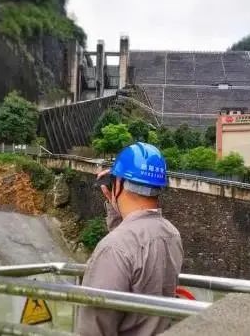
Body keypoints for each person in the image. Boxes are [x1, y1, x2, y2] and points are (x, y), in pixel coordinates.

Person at [77, 142, 183, 336]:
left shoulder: (114, 248)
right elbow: (136, 245)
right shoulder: (171, 234)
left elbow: (93, 327)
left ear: (117, 184)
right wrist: (115, 206)